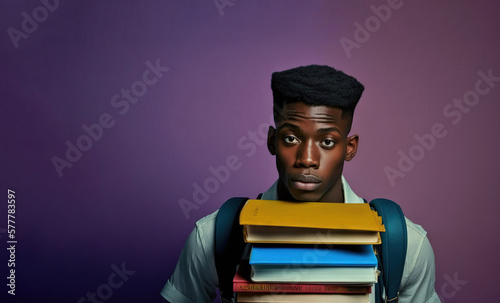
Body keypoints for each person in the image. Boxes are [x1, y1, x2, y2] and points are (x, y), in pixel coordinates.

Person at [161, 65, 440, 303]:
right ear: (272, 141)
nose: (307, 159)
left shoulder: (405, 245)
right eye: (291, 139)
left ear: (350, 147)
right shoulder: (214, 236)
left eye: (327, 142)